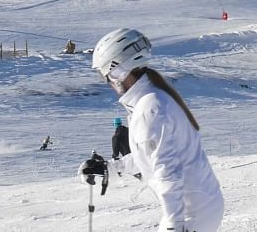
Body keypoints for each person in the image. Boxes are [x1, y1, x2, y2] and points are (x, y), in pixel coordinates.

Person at [92, 28, 223, 232]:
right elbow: (150, 156)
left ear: (119, 70)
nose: (107, 81)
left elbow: (168, 171)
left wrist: (173, 225)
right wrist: (110, 168)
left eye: (106, 74)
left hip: (192, 214)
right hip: (198, 207)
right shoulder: (148, 101)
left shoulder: (150, 108)